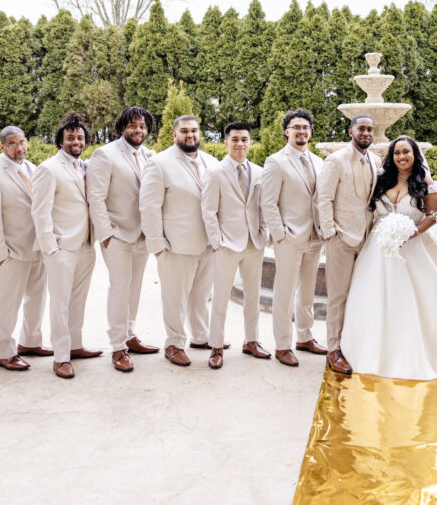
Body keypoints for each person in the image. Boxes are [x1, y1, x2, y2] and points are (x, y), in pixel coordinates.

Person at [341, 136, 437, 379]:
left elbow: (434, 214)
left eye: (406, 152)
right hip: (378, 247)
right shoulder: (382, 179)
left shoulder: (424, 181)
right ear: (392, 156)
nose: (401, 157)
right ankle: (372, 348)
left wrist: (412, 233)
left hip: (414, 245)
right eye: (397, 153)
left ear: (414, 154)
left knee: (415, 298)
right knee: (374, 295)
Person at [140, 114, 220, 367]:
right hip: (175, 246)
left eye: (194, 130)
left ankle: (200, 336)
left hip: (208, 243)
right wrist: (157, 244)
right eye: (184, 131)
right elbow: (149, 206)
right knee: (175, 299)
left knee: (201, 296)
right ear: (175, 134)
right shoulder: (159, 163)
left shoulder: (211, 162)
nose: (190, 135)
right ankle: (174, 344)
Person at [86, 106, 159, 373]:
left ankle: (129, 334)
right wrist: (106, 235)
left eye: (142, 126)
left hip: (142, 235)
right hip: (117, 235)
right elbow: (95, 197)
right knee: (119, 288)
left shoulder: (149, 155)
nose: (138, 130)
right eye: (132, 125)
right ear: (122, 127)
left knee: (135, 288)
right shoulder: (105, 154)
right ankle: (117, 347)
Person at [30, 114, 102, 379]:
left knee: (78, 299)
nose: (76, 141)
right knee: (60, 302)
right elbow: (40, 212)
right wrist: (50, 248)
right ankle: (60, 357)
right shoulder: (48, 169)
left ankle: (75, 345)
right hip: (61, 246)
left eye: (80, 137)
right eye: (70, 137)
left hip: (86, 244)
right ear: (60, 141)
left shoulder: (85, 167)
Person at [0, 126, 50, 372]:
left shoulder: (33, 168)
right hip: (12, 251)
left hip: (37, 247)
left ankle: (30, 342)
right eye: (12, 144)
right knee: (6, 304)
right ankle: (5, 353)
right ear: (2, 146)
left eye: (22, 142)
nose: (19, 147)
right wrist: (0, 255)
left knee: (36, 298)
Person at [261, 108, 327, 368]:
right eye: (296, 127)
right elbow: (268, 202)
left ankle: (304, 336)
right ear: (287, 131)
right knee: (284, 292)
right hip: (289, 237)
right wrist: (280, 235)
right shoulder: (275, 162)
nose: (302, 131)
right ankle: (282, 344)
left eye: (305, 127)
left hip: (315, 236)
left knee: (307, 291)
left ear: (310, 131)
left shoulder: (319, 162)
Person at [201, 123, 269, 370]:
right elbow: (208, 210)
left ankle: (251, 341)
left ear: (250, 142)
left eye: (244, 139)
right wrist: (217, 242)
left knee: (253, 296)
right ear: (226, 142)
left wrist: (263, 233)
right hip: (227, 244)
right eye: (235, 139)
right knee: (221, 297)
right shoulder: (214, 172)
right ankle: (216, 346)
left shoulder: (260, 172)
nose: (240, 144)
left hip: (254, 243)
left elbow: (262, 207)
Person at [316, 114, 378, 375]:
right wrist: (330, 233)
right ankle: (333, 350)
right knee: (338, 296)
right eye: (361, 128)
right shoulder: (336, 160)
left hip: (367, 239)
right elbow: (323, 198)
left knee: (360, 295)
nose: (366, 133)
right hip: (341, 238)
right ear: (351, 131)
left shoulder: (375, 161)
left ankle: (353, 345)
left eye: (370, 129)